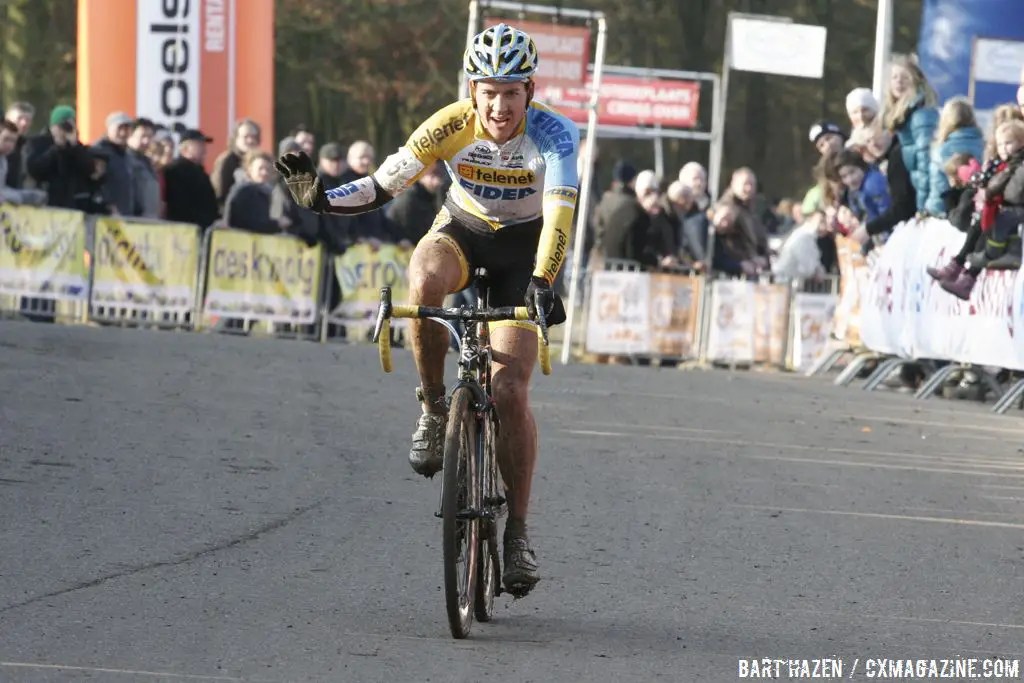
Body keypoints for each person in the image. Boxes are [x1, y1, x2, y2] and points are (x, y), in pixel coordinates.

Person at [274, 23, 579, 597]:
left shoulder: (557, 136)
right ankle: (436, 409)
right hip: (462, 229)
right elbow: (384, 184)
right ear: (472, 89)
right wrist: (322, 200)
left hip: (527, 249)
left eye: (512, 92)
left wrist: (542, 280)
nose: (499, 104)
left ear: (530, 92)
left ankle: (517, 531)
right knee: (423, 279)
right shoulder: (448, 124)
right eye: (488, 90)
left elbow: (561, 213)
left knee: (511, 390)